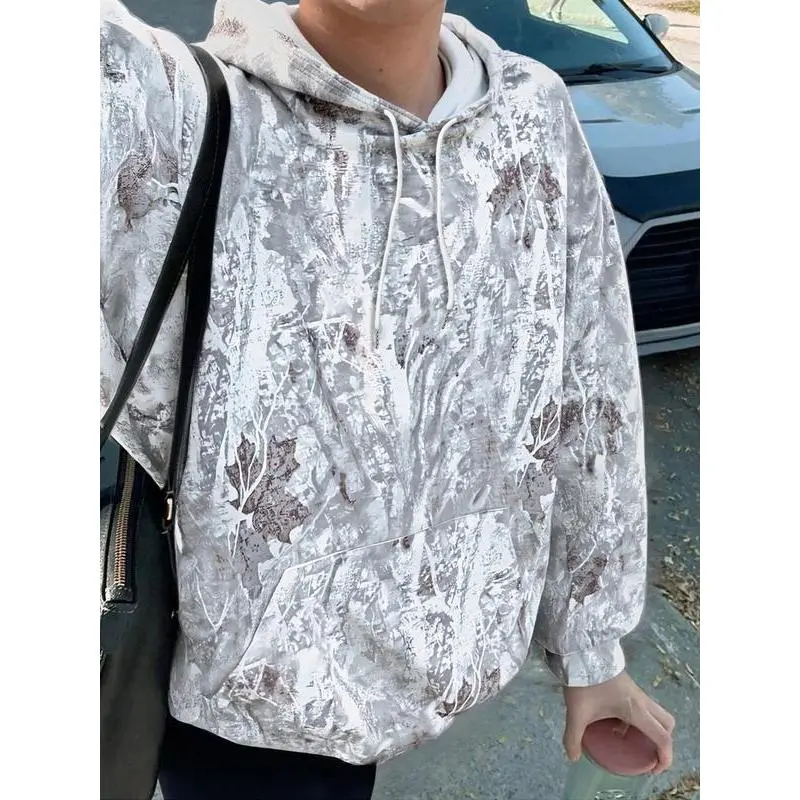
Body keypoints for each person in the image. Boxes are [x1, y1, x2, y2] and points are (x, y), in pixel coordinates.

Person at [100, 0, 676, 797]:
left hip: (460, 660)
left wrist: (591, 649)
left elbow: (588, 380)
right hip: (255, 711)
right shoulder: (173, 109)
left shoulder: (532, 114)